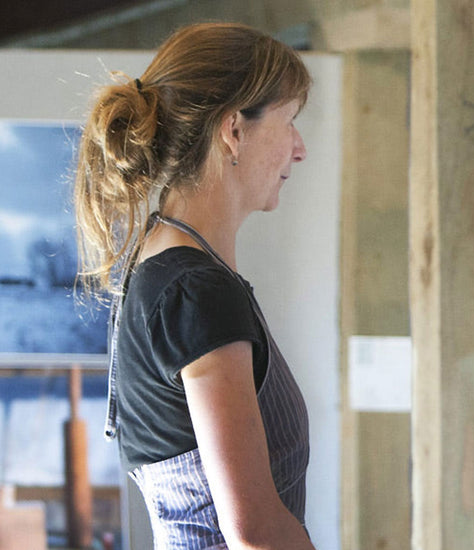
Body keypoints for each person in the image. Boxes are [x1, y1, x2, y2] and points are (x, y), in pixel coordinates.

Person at [72, 23, 315, 550]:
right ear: (234, 131)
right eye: (290, 121)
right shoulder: (196, 291)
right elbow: (254, 531)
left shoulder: (162, 268)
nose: (299, 149)